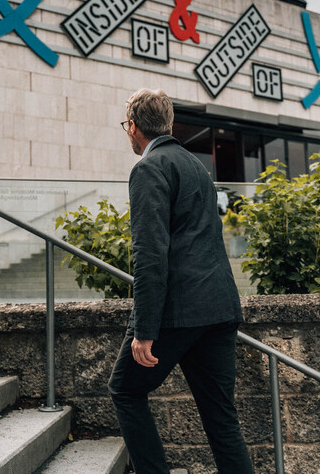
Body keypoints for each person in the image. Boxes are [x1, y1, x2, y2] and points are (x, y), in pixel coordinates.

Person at [108, 89, 253, 474]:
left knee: (125, 389)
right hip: (220, 307)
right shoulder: (195, 166)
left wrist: (144, 329)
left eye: (127, 126)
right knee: (222, 419)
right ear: (168, 125)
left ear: (134, 127)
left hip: (179, 312)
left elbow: (150, 254)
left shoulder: (148, 168)